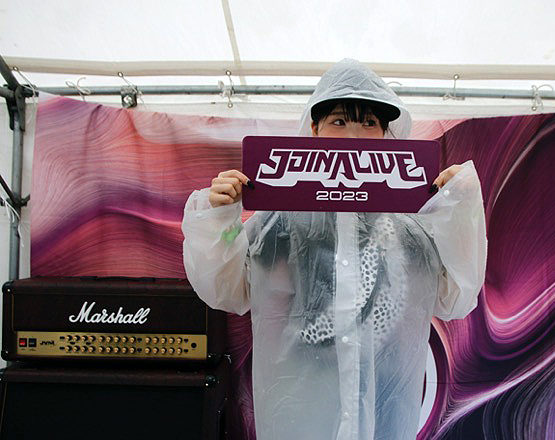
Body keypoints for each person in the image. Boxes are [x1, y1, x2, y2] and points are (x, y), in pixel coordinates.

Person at [181, 58, 487, 440]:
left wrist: (459, 212)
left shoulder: (410, 223)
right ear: (314, 128)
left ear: (386, 132)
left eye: (369, 123)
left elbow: (454, 296)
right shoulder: (281, 217)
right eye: (339, 121)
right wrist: (221, 221)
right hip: (303, 408)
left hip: (384, 408)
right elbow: (226, 287)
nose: (354, 135)